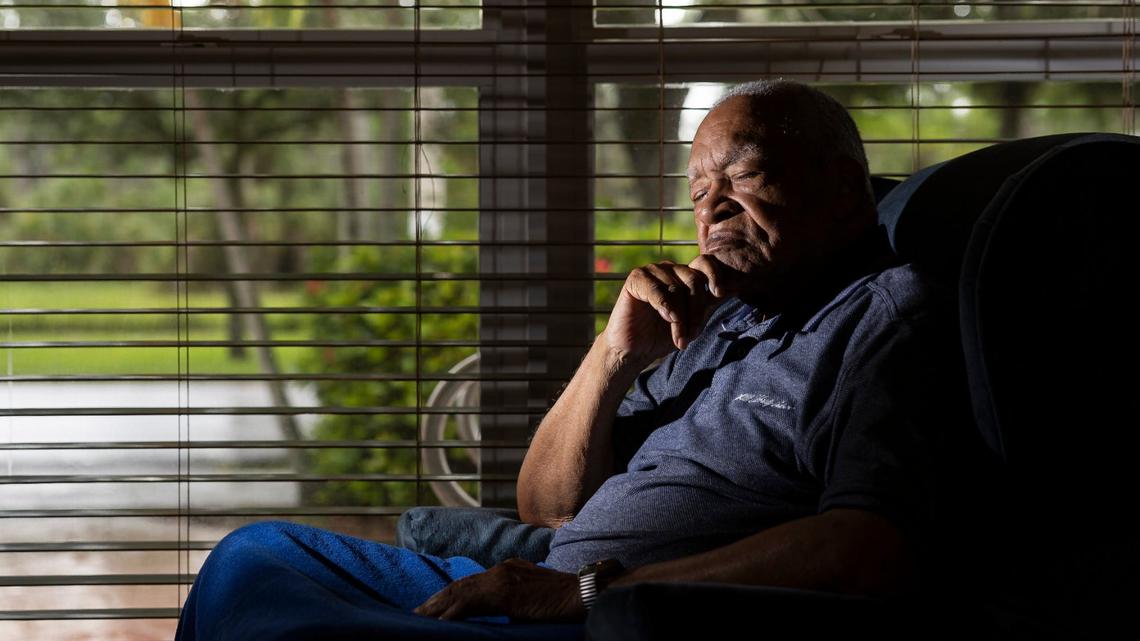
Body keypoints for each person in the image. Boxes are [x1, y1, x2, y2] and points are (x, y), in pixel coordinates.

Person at [175, 79, 970, 641]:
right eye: (698, 191)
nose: (713, 209)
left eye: (745, 175)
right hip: (543, 590)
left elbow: (871, 545)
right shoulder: (723, 320)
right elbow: (545, 505)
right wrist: (613, 352)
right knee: (255, 553)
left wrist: (586, 591)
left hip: (603, 616)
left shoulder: (886, 321)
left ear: (843, 188)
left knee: (285, 623)